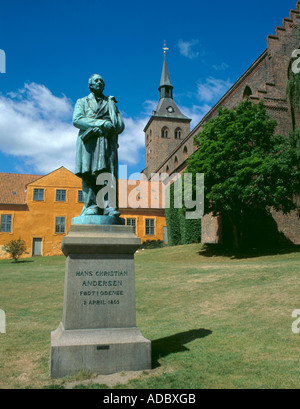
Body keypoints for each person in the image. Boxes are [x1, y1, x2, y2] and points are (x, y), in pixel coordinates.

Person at [73, 74, 125, 216]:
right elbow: (77, 120)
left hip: (107, 142)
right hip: (89, 142)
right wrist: (101, 123)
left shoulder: (110, 103)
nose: (100, 82)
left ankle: (109, 206)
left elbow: (120, 125)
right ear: (90, 85)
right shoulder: (82, 101)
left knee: (109, 174)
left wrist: (113, 109)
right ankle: (91, 206)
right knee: (88, 173)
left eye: (102, 80)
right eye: (96, 80)